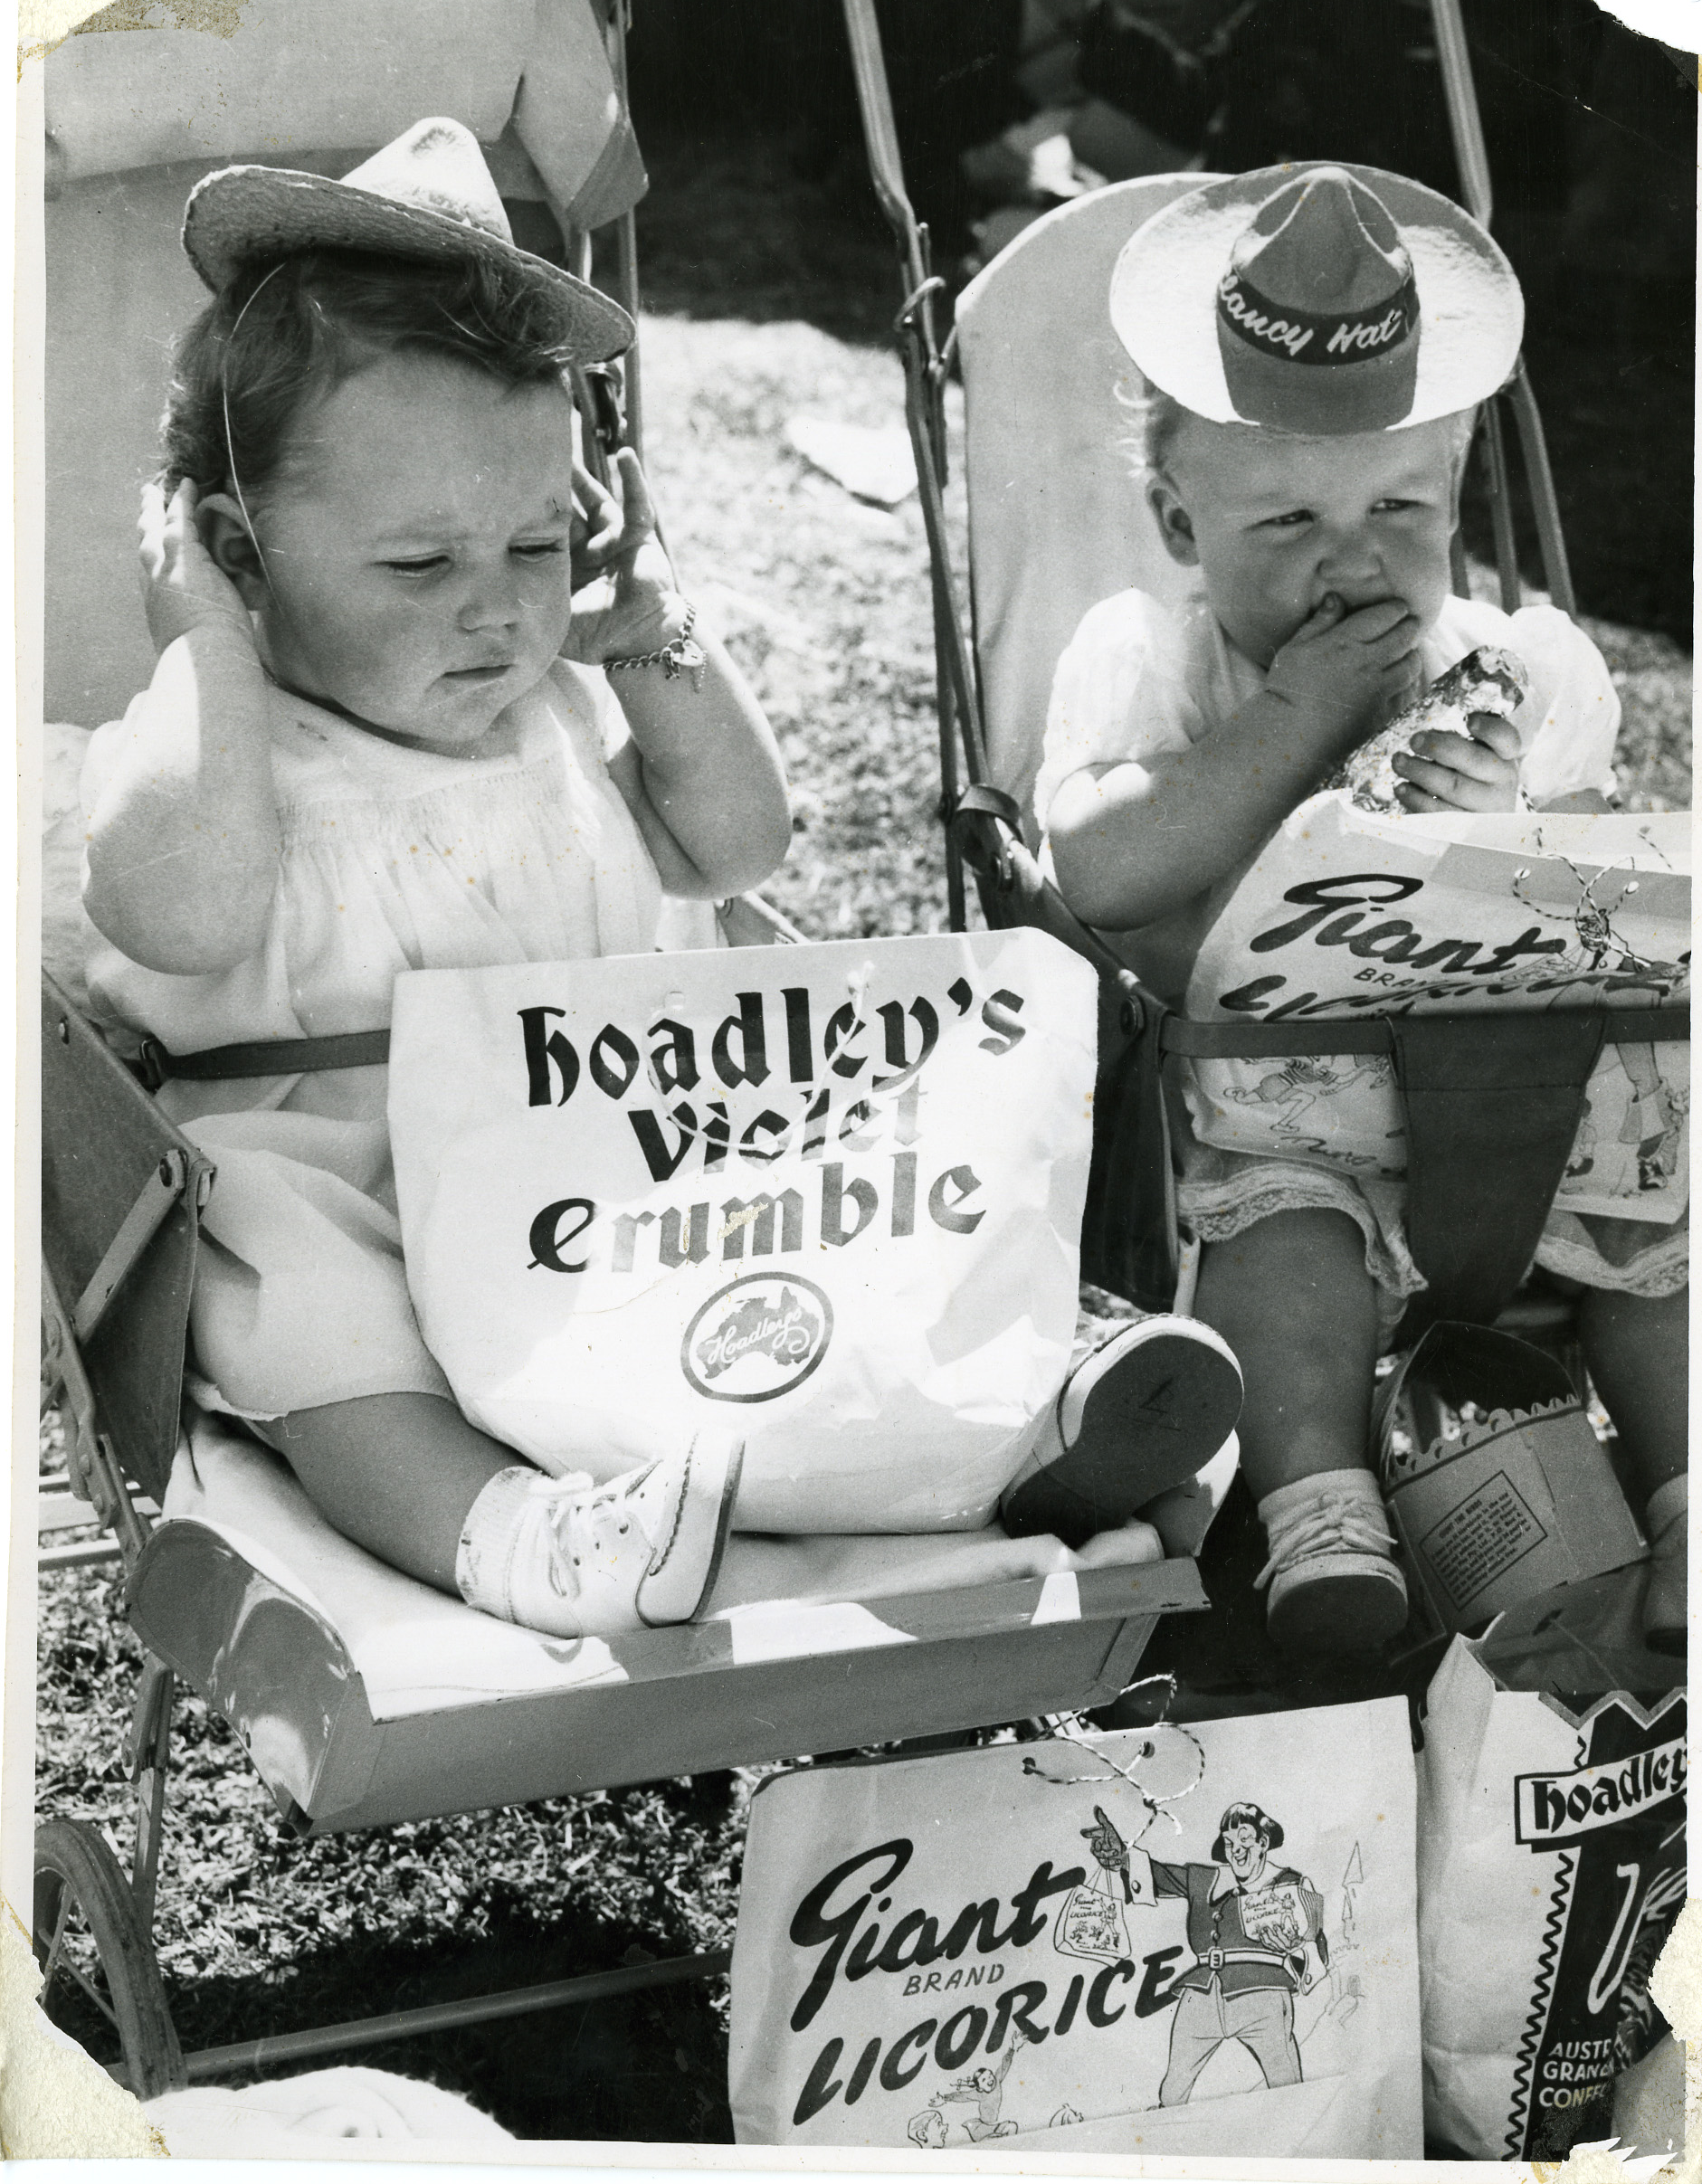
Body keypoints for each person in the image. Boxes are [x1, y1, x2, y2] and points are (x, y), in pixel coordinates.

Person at [81, 118, 1241, 1645]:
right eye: (419, 570)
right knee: (307, 1308)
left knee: (816, 1220)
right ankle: (511, 1532)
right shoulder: (207, 749)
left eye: (538, 541)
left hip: (611, 1168)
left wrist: (644, 634)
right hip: (357, 1183)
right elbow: (186, 915)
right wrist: (207, 652)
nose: (498, 611)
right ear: (237, 549)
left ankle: (1010, 1425)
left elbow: (738, 846)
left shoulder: (562, 703)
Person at [1034, 162, 1687, 1657]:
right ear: (1178, 523)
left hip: (1532, 1114)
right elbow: (1102, 870)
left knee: (1663, 1236)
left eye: (1401, 506)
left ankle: (1684, 1510)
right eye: (1284, 523)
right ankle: (1322, 1515)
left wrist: (1513, 822)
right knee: (1277, 1249)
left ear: (1458, 497)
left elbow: (1613, 907)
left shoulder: (1526, 669)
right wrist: (1294, 721)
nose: (1351, 560)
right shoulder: (1153, 665)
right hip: (1294, 1129)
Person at [1090, 1801, 1323, 2106]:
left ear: (1263, 1842)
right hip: (1201, 1995)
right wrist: (1121, 1856)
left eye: (1244, 1839)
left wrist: (1293, 1950)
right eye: (1228, 1842)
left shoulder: (1292, 1884)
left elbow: (1316, 1954)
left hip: (1262, 1993)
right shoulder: (1204, 1878)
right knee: (1172, 2091)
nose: (1236, 1849)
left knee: (1288, 2086)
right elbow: (1160, 1876)